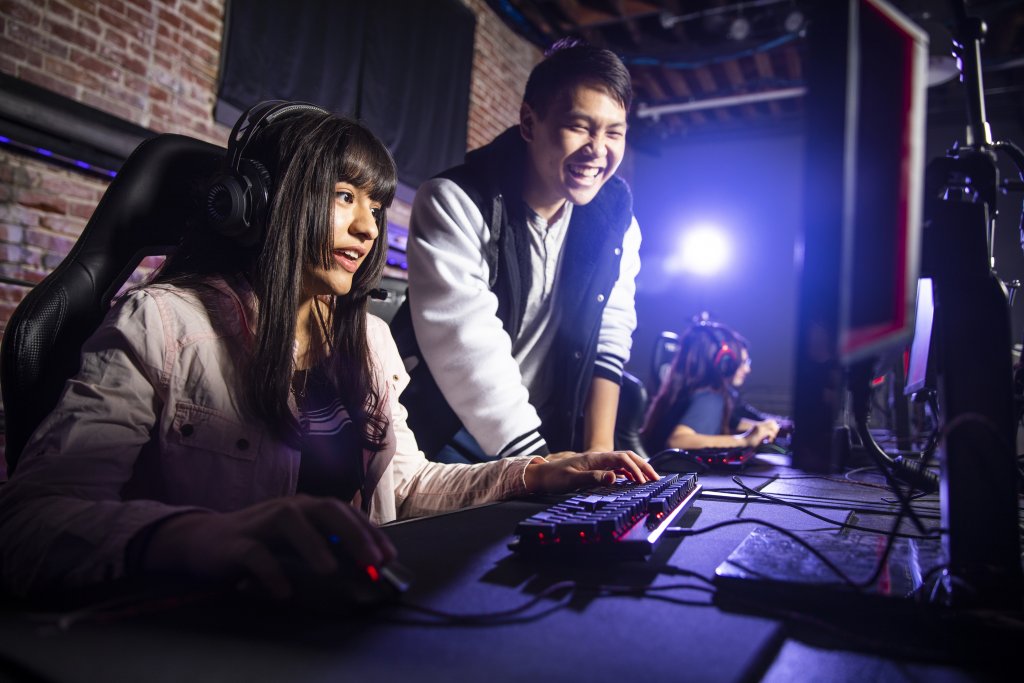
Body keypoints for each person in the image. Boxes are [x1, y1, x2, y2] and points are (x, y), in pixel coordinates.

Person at [0, 102, 656, 600]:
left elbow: (407, 485)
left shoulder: (366, 339)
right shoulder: (163, 323)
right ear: (264, 203)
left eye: (374, 204)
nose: (368, 227)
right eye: (344, 197)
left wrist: (533, 474)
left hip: (328, 619)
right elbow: (28, 521)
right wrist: (204, 536)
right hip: (200, 628)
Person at [390, 39, 642, 463]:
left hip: (543, 434)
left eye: (613, 132)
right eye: (580, 126)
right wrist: (539, 465)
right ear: (529, 122)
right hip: (446, 433)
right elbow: (465, 346)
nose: (598, 150)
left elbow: (610, 334)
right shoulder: (454, 201)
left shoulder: (616, 221)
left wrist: (599, 452)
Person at [640, 320, 780, 454]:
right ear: (724, 362)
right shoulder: (710, 397)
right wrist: (745, 440)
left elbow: (735, 422)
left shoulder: (686, 392)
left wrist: (772, 427)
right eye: (741, 361)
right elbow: (678, 441)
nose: (747, 369)